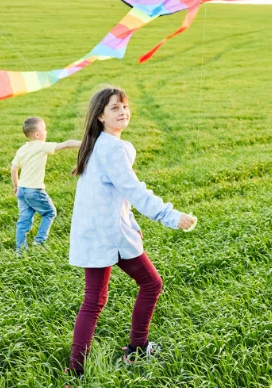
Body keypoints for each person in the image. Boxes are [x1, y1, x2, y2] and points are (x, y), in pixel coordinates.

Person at [67, 87, 195, 375]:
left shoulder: (97, 144)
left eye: (124, 106)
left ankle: (76, 371)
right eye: (114, 108)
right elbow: (134, 191)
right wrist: (171, 216)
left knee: (93, 300)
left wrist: (133, 224)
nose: (123, 111)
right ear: (100, 116)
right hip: (109, 235)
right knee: (151, 284)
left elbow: (116, 197)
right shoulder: (112, 148)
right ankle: (137, 349)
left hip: (93, 233)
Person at [11, 117, 80, 251]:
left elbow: (13, 168)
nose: (46, 132)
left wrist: (16, 186)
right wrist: (85, 142)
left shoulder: (22, 149)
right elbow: (66, 144)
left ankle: (20, 250)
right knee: (50, 213)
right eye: (44, 129)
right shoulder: (42, 146)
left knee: (23, 221)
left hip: (22, 190)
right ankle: (39, 241)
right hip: (34, 190)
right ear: (37, 135)